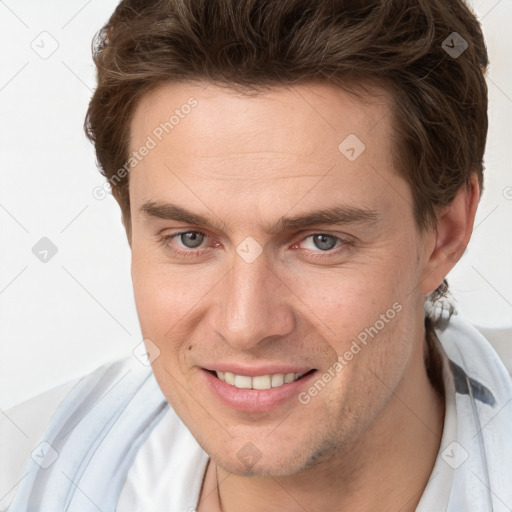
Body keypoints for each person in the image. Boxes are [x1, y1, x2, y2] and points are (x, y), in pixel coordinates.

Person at [4, 0, 512, 511]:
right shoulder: (23, 470)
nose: (245, 325)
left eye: (321, 241)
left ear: (445, 234)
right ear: (130, 227)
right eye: (191, 239)